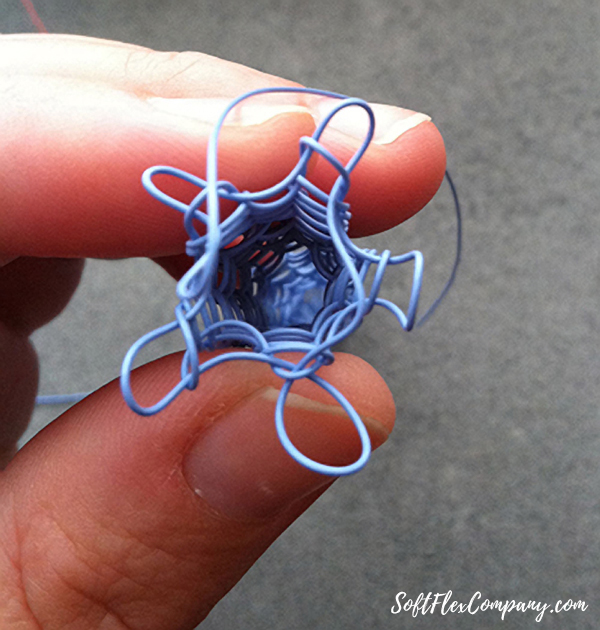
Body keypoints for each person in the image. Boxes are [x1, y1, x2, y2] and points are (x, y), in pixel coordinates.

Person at [0, 34, 446, 629]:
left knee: (312, 306)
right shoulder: (238, 275)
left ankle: (309, 332)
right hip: (255, 316)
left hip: (286, 312)